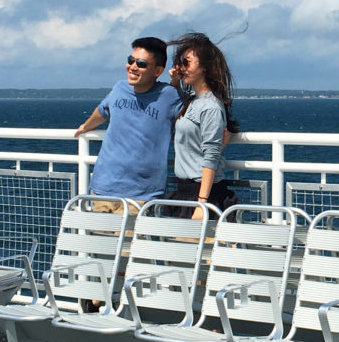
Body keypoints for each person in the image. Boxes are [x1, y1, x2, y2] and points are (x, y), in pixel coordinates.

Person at [74, 37, 184, 207]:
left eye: (141, 63)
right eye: (130, 60)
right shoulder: (119, 88)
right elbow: (103, 110)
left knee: (133, 235)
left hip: (142, 195)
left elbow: (192, 116)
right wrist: (86, 126)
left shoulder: (169, 95)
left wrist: (177, 83)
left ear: (157, 71)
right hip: (104, 188)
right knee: (99, 234)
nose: (132, 66)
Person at [165, 32, 240, 220]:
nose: (182, 67)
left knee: (201, 249)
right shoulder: (192, 101)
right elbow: (173, 106)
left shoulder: (210, 107)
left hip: (203, 195)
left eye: (187, 62)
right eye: (180, 62)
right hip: (185, 192)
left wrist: (202, 202)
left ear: (205, 67)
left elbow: (211, 156)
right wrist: (175, 82)